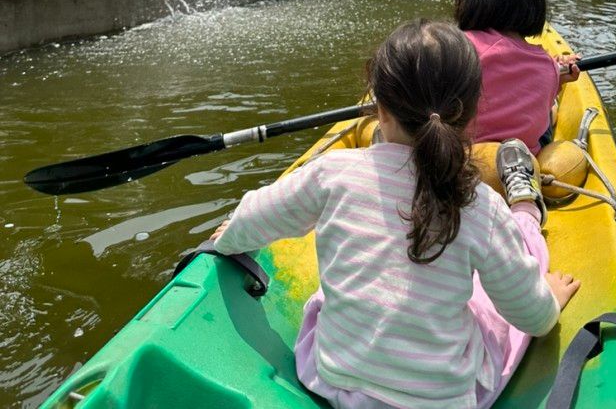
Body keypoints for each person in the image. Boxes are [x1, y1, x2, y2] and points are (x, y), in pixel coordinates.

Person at [212, 20, 580, 409]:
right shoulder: (480, 206)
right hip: (442, 400)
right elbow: (532, 318)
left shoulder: (331, 174)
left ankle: (402, 151)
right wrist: (551, 300)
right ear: (471, 116)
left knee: (330, 289)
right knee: (497, 297)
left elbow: (254, 217)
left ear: (380, 110)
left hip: (334, 380)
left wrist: (229, 236)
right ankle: (525, 206)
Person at [451, 0, 579, 155]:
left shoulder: (455, 47)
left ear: (474, 1)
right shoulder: (545, 66)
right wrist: (557, 77)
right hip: (525, 158)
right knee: (548, 115)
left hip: (464, 154)